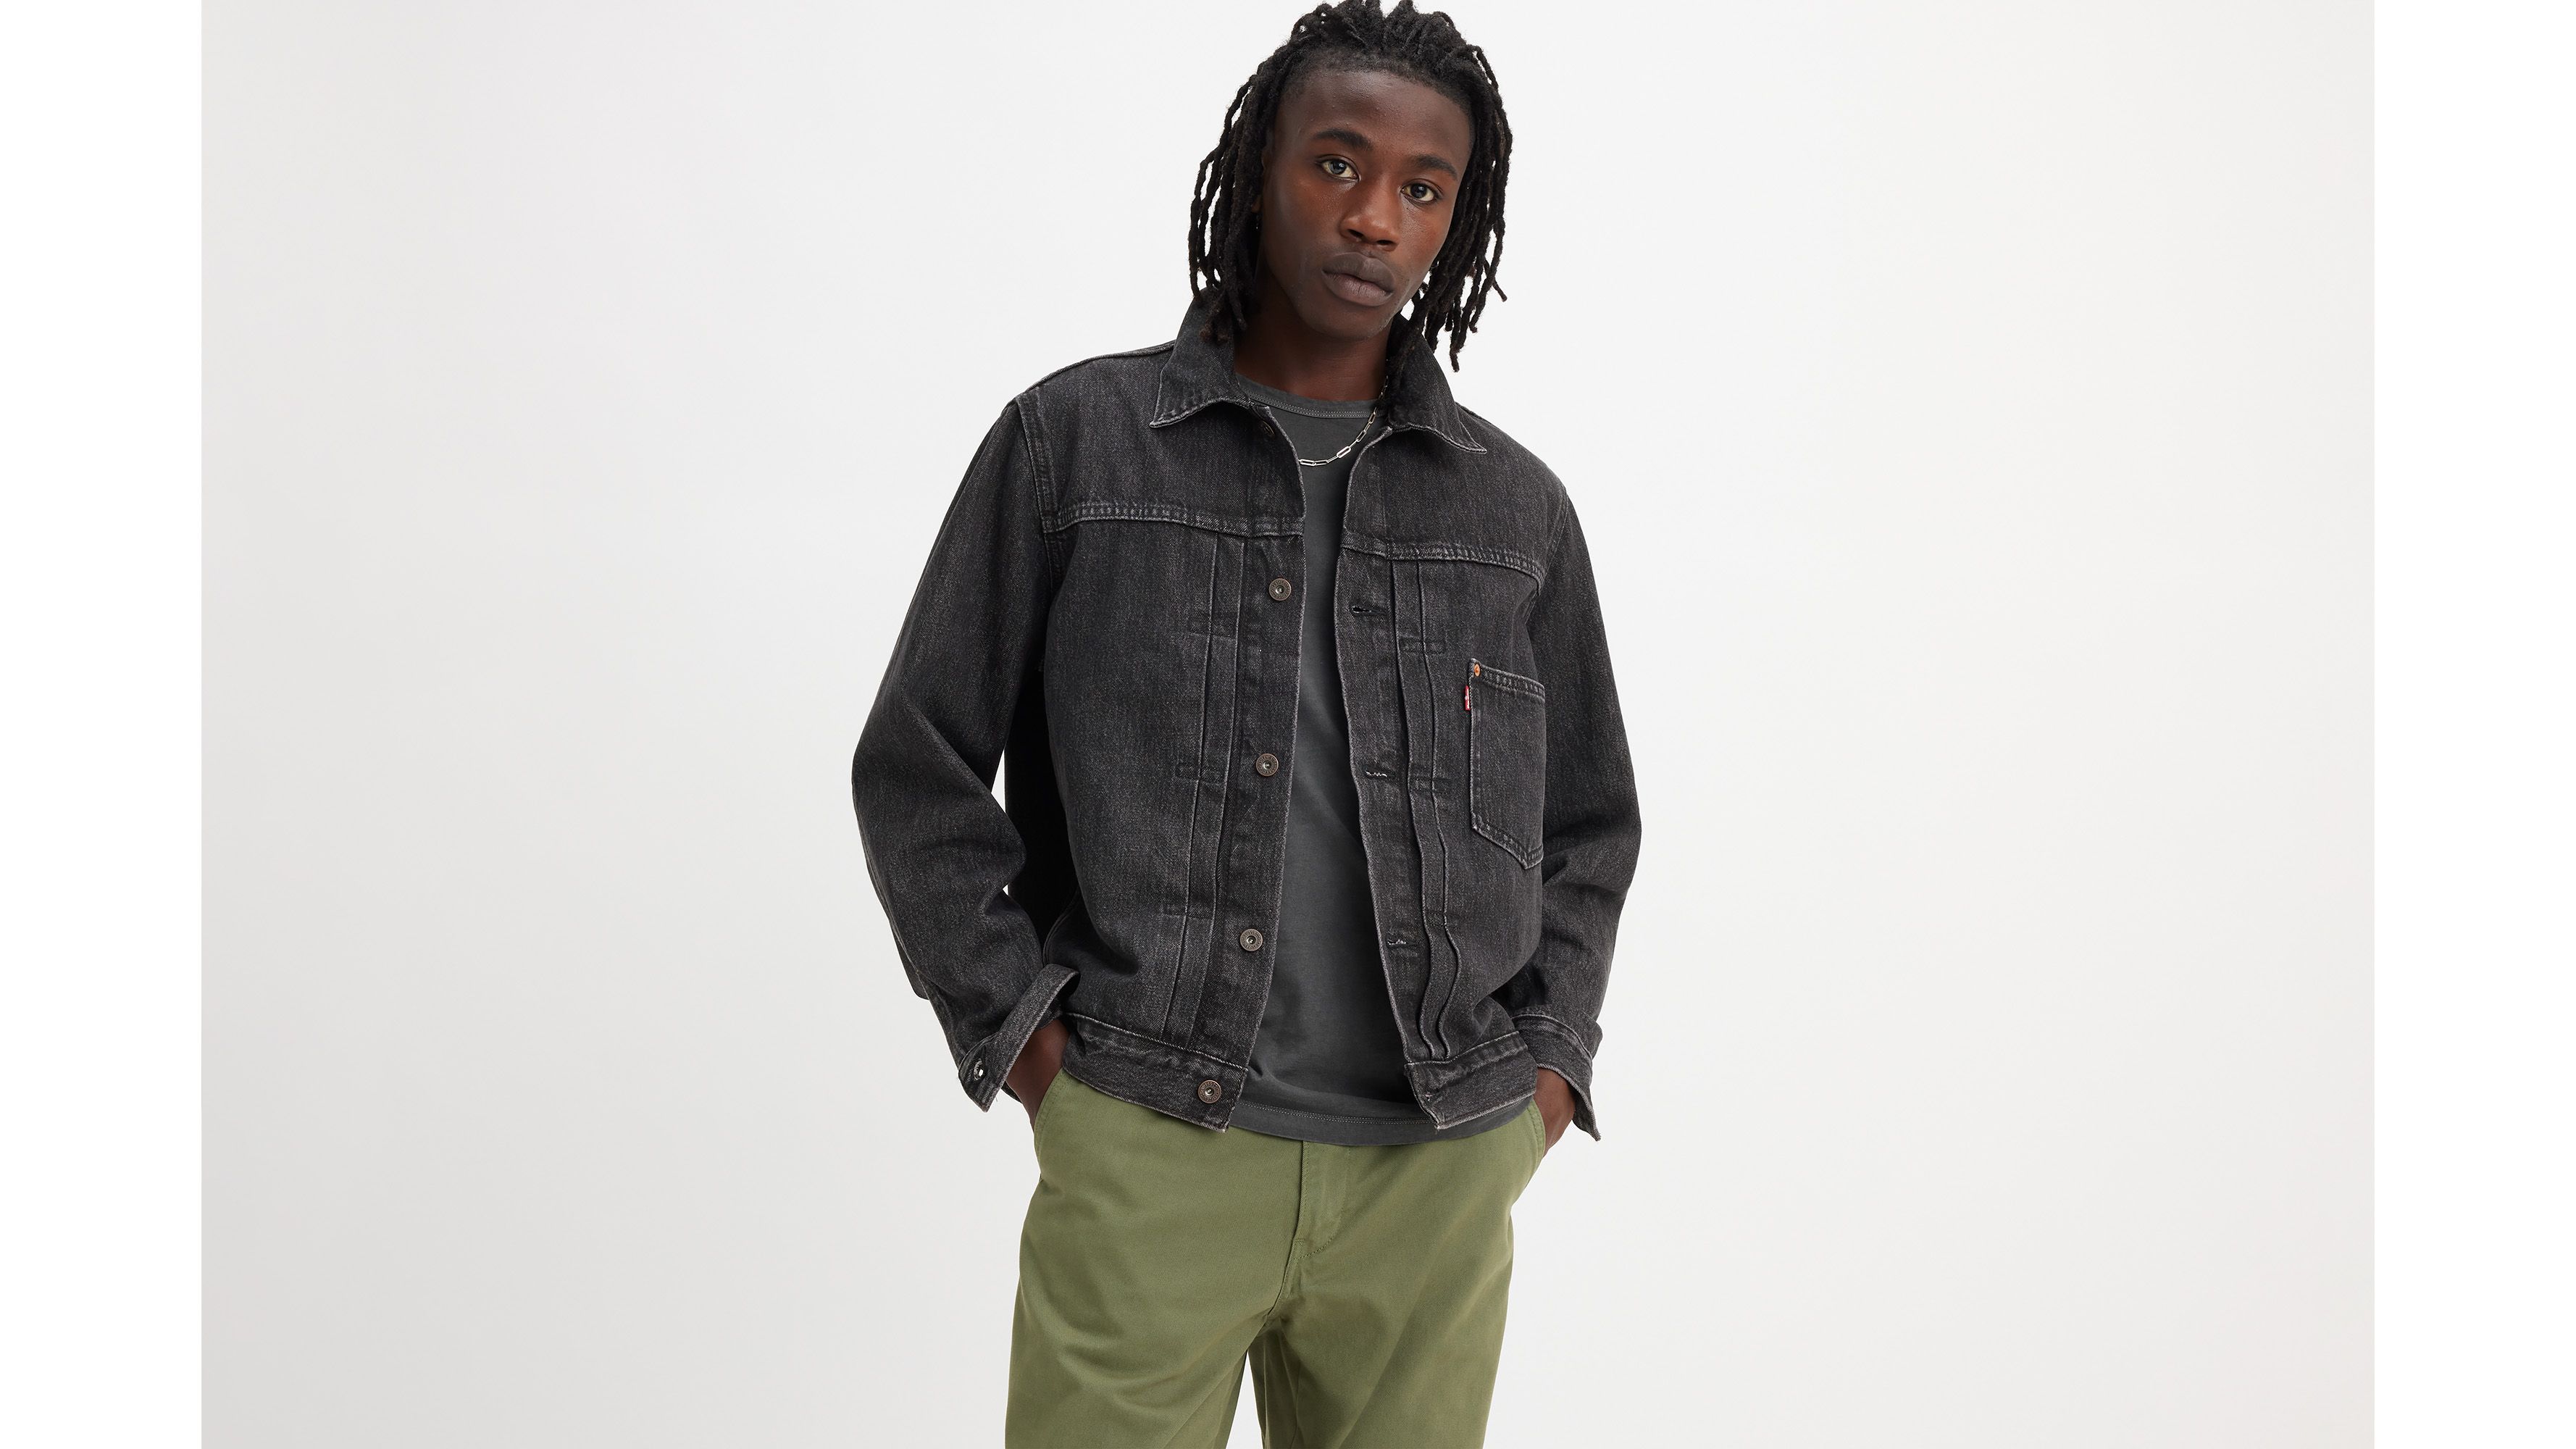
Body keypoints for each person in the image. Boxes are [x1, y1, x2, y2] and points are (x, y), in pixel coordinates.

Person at [849, 2, 1642, 1442]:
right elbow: (918, 766)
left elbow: (1586, 825)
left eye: (1422, 188)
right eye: (1336, 164)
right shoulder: (1076, 447)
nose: (1374, 217)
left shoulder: (1512, 510)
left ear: (1457, 223)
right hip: (1152, 1141)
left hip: (1435, 1172)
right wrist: (1036, 1053)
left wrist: (1542, 1074)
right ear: (1258, 168)